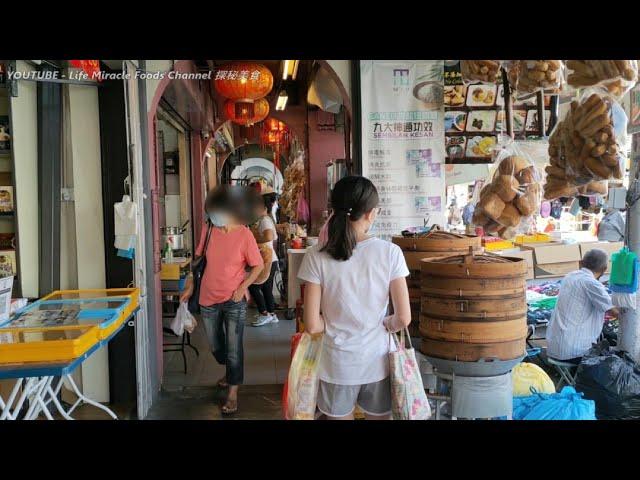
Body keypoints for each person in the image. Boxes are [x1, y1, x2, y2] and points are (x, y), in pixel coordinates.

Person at [297, 176, 411, 420]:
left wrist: (332, 321)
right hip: (377, 361)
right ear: (371, 214)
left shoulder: (316, 255)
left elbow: (313, 324)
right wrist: (386, 324)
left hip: (336, 365)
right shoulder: (390, 253)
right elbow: (403, 318)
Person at [180, 185, 264, 415]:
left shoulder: (244, 234)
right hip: (208, 297)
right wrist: (189, 285)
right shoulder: (208, 231)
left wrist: (243, 288)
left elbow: (258, 266)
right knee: (216, 345)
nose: (213, 214)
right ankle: (229, 370)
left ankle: (233, 392)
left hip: (234, 299)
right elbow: (197, 261)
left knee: (234, 348)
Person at [546, 249, 620, 365]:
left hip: (554, 348)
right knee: (618, 359)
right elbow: (616, 312)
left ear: (581, 263)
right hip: (572, 352)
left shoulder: (570, 276)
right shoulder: (591, 283)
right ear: (605, 269)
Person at [249, 188, 280, 327]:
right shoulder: (264, 219)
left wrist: (253, 238)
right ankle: (271, 314)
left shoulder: (265, 220)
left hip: (267, 259)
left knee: (253, 286)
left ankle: (264, 313)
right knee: (266, 288)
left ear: (263, 208)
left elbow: (269, 236)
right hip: (269, 259)